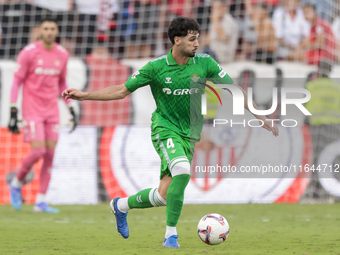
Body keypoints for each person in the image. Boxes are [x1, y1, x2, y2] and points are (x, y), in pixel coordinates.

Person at [62, 17, 279, 248]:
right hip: (164, 128)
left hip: (189, 135)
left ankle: (120, 206)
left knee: (164, 196)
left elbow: (233, 90)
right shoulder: (156, 68)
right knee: (183, 172)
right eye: (192, 39)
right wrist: (85, 95)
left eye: (198, 38)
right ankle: (170, 235)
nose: (197, 44)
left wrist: (260, 115)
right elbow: (120, 90)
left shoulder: (205, 63)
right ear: (177, 40)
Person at [8, 17, 77, 213]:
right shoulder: (29, 52)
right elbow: (16, 82)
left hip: (52, 110)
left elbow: (62, 83)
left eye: (52, 28)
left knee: (50, 154)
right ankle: (16, 182)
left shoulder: (62, 54)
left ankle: (41, 201)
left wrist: (70, 107)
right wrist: (13, 110)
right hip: (32, 110)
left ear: (56, 31)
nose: (48, 32)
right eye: (45, 28)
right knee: (38, 152)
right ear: (40, 31)